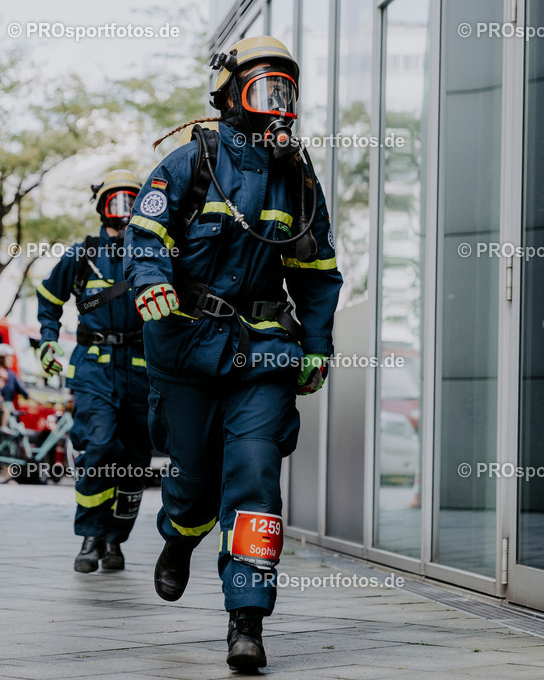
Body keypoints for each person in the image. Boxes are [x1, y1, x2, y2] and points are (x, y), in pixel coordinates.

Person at [124, 36, 342, 671]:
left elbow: (319, 272)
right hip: (187, 346)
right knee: (191, 481)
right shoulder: (192, 162)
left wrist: (317, 347)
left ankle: (246, 618)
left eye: (285, 90)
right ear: (228, 95)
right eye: (262, 88)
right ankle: (179, 537)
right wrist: (152, 280)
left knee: (254, 475)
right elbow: (146, 232)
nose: (277, 103)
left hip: (263, 353)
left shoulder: (298, 180)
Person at [36, 169, 152, 574]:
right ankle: (90, 536)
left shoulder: (153, 253)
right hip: (94, 369)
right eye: (115, 201)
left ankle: (114, 540)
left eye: (131, 201)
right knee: (99, 449)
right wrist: (48, 339)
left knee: (135, 461)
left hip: (141, 370)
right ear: (101, 206)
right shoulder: (81, 255)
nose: (122, 211)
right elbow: (49, 298)